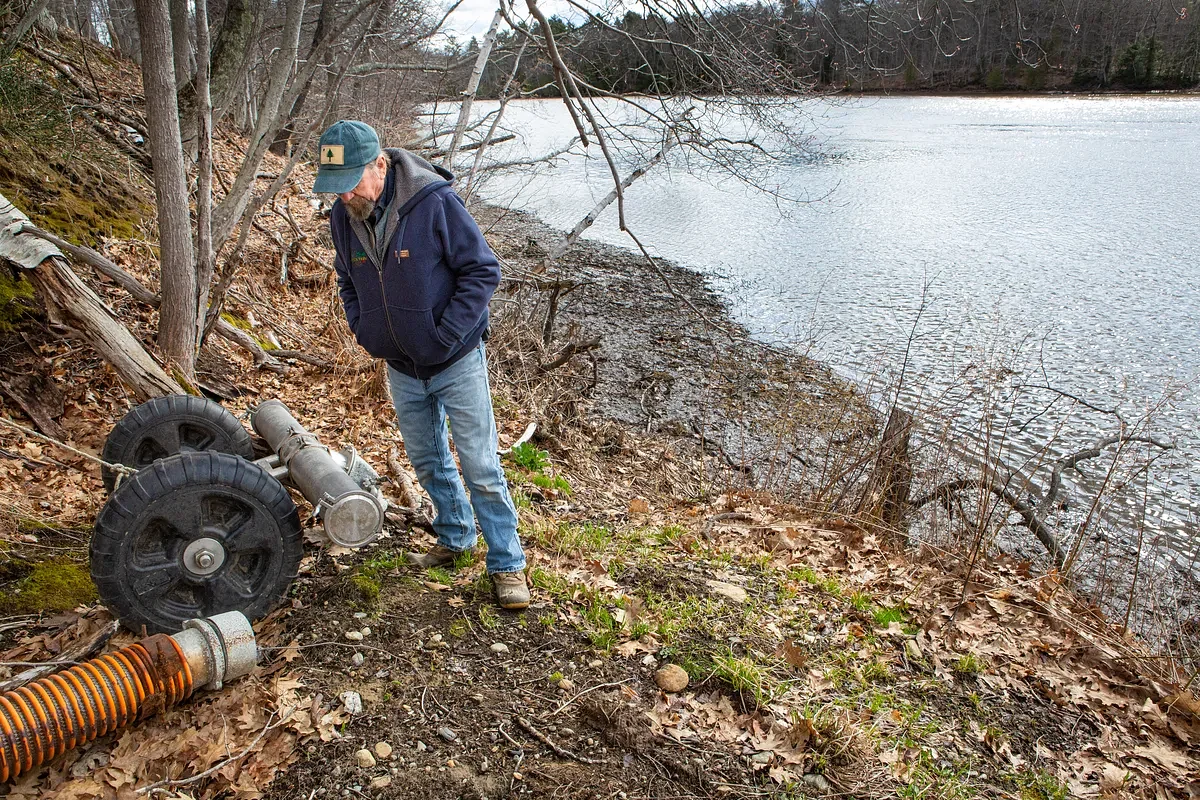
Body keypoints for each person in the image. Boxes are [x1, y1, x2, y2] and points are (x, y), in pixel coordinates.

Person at [312, 119, 530, 610]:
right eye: (335, 186)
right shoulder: (341, 218)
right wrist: (365, 330)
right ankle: (454, 538)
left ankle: (508, 564)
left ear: (380, 165)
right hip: (400, 366)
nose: (343, 195)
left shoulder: (434, 202)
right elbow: (348, 280)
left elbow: (483, 270)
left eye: (349, 181)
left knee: (480, 465)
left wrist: (446, 335)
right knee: (429, 460)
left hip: (456, 360)